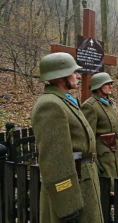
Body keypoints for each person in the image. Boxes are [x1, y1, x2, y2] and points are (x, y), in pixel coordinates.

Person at [31, 52, 103, 223]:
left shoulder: (65, 100)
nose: (78, 76)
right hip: (72, 190)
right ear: (60, 76)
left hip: (83, 181)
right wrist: (67, 208)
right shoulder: (50, 105)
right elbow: (54, 160)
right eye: (74, 72)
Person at [81, 72, 118, 191]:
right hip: (103, 154)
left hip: (116, 149)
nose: (111, 86)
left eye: (111, 83)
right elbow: (88, 136)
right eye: (107, 84)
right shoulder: (90, 106)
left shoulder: (111, 102)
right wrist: (94, 160)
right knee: (107, 186)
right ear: (98, 86)